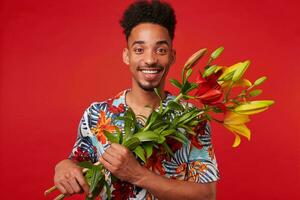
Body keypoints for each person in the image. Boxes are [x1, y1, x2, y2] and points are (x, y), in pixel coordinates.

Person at [54, 1, 219, 199]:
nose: (150, 60)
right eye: (139, 50)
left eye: (161, 50)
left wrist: (138, 175)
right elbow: (78, 164)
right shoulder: (96, 114)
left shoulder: (193, 119)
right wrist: (63, 166)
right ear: (127, 56)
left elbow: (206, 195)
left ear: (172, 57)